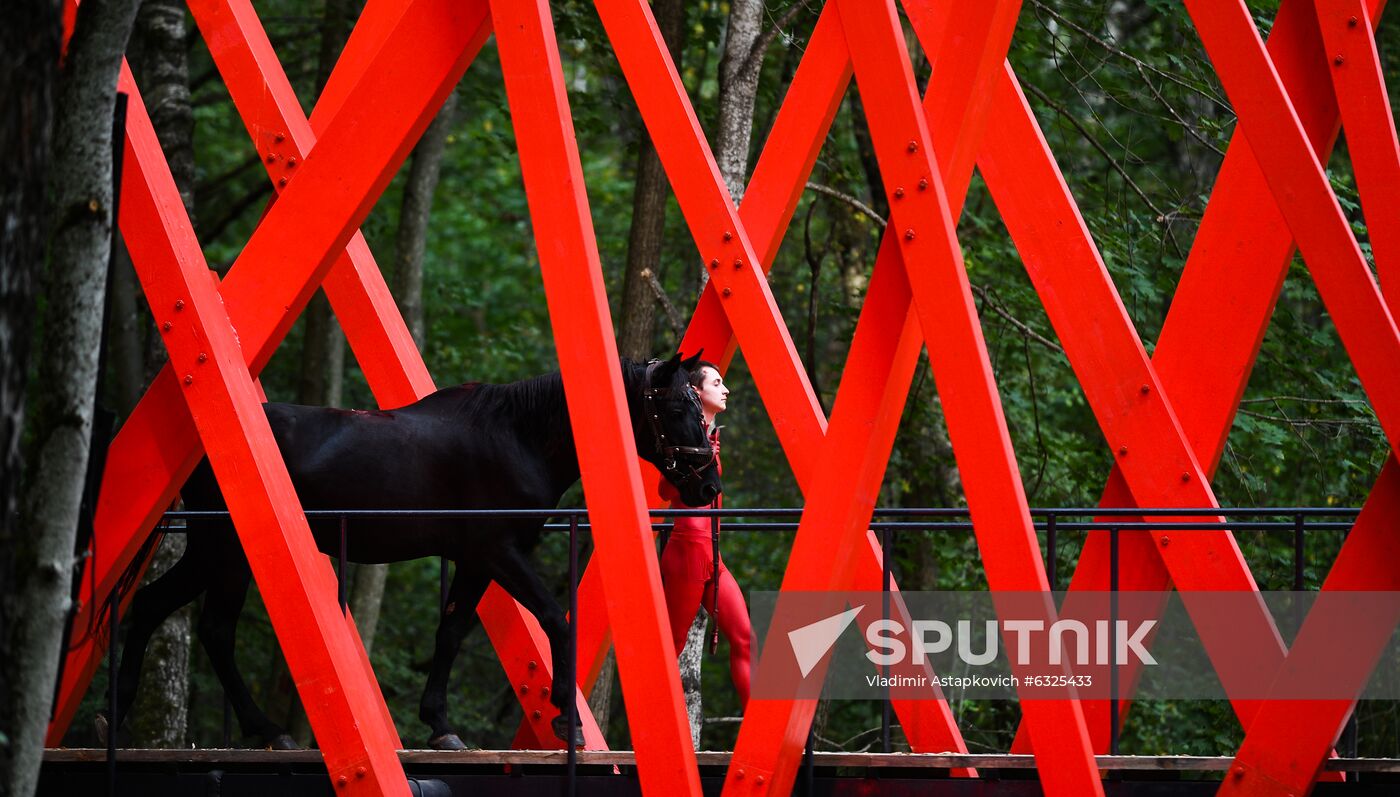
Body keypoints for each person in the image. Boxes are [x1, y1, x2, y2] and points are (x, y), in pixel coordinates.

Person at [658, 360, 751, 707]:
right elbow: (665, 491)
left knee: (744, 638)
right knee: (673, 645)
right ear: (696, 392)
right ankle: (656, 728)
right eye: (717, 383)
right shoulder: (682, 434)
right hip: (687, 551)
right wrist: (694, 462)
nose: (725, 389)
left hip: (712, 554)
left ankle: (759, 738)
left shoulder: (712, 434)